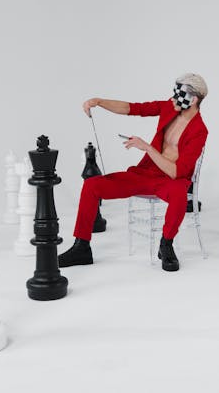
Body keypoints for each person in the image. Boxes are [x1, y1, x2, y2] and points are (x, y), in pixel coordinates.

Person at [58, 73, 209, 272]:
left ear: (194, 99)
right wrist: (99, 102)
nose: (173, 98)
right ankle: (82, 247)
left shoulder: (199, 130)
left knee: (179, 195)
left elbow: (176, 172)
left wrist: (147, 147)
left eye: (178, 93)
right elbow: (132, 108)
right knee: (92, 185)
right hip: (146, 173)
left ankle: (166, 245)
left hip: (171, 179)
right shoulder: (168, 107)